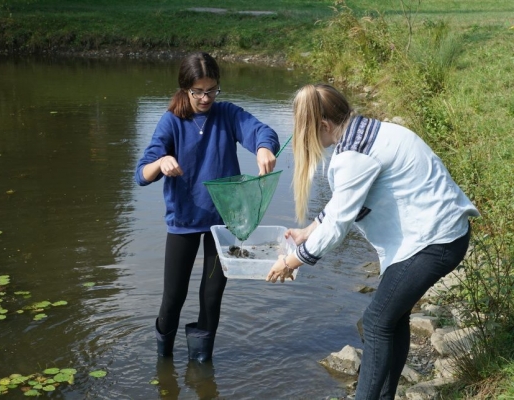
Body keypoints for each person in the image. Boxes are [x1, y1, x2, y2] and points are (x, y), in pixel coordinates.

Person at [266, 83, 479, 399]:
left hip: (435, 241)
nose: (307, 142)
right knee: (391, 318)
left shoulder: (354, 156)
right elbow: (343, 204)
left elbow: (338, 225)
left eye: (306, 133)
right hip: (438, 234)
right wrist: (307, 231)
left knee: (377, 322)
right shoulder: (368, 132)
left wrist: (291, 261)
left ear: (324, 126)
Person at [135, 51, 281, 362]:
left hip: (223, 223)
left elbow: (261, 131)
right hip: (184, 221)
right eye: (198, 91)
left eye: (212, 89)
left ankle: (201, 363)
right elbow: (141, 173)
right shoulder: (171, 122)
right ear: (184, 89)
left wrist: (265, 147)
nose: (205, 98)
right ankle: (164, 359)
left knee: (211, 297)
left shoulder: (227, 114)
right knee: (173, 298)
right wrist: (161, 162)